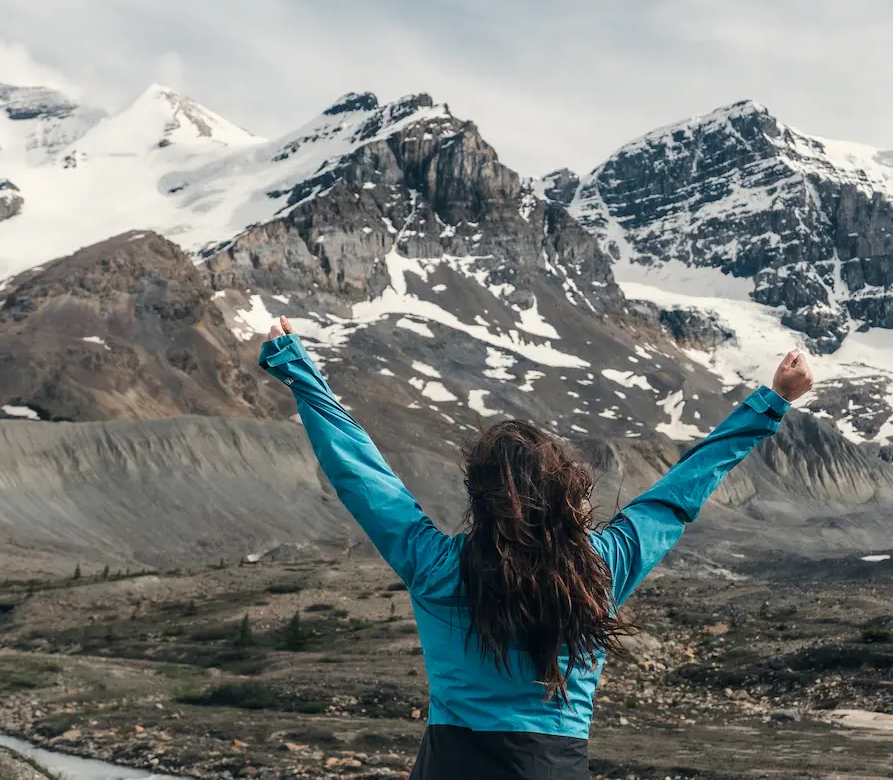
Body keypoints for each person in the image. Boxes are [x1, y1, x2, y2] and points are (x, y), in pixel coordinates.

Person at [260, 315, 813, 779]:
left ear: (478, 495)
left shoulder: (437, 567)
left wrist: (298, 368)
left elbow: (361, 475)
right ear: (564, 488)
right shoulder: (603, 567)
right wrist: (772, 401)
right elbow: (678, 494)